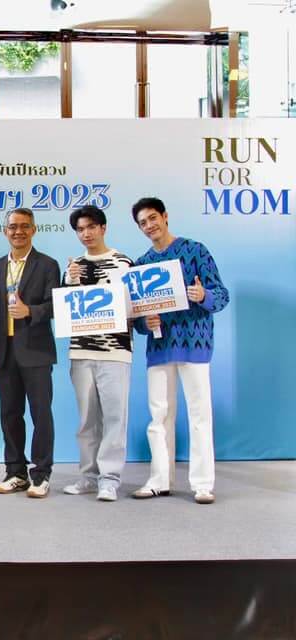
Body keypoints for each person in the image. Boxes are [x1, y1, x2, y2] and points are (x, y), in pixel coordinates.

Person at [130, 197, 229, 505]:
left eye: (152, 218)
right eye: (143, 223)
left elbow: (221, 295)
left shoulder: (196, 250)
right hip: (159, 347)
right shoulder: (142, 264)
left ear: (165, 216)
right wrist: (146, 323)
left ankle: (202, 484)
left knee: (200, 414)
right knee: (159, 415)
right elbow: (138, 318)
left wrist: (203, 294)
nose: (149, 226)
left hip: (194, 343)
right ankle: (160, 480)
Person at [60, 205, 134, 503]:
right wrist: (70, 281)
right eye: (80, 229)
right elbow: (64, 310)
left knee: (115, 417)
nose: (86, 234)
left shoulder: (124, 263)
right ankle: (89, 477)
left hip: (115, 351)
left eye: (91, 227)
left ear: (103, 228)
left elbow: (134, 307)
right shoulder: (73, 266)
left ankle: (110, 479)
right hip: (81, 351)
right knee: (87, 420)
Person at [0, 207, 60, 498]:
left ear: (34, 229)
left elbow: (55, 305)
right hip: (5, 353)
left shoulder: (48, 265)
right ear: (5, 231)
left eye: (24, 226)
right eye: (13, 227)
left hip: (36, 352)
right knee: (10, 414)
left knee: (41, 414)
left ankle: (41, 475)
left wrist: (30, 311)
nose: (18, 231)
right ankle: (15, 472)